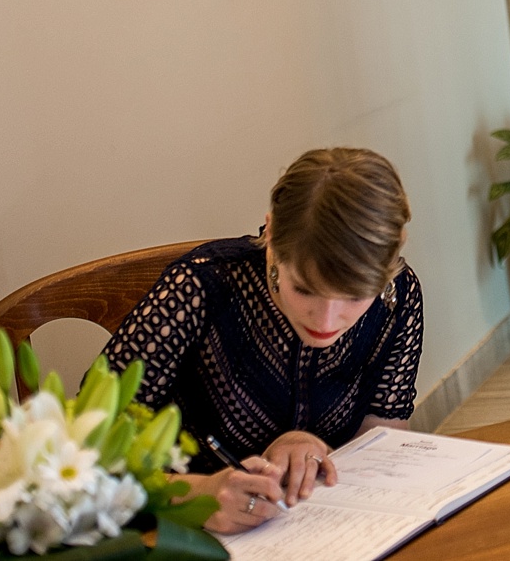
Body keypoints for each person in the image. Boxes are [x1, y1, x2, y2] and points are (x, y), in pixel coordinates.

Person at [101, 147, 422, 533]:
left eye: (355, 297)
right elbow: (91, 453)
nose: (326, 320)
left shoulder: (396, 295)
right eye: (304, 289)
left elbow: (382, 433)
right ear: (271, 234)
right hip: (178, 533)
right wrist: (198, 492)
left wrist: (314, 446)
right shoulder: (200, 289)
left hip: (318, 532)